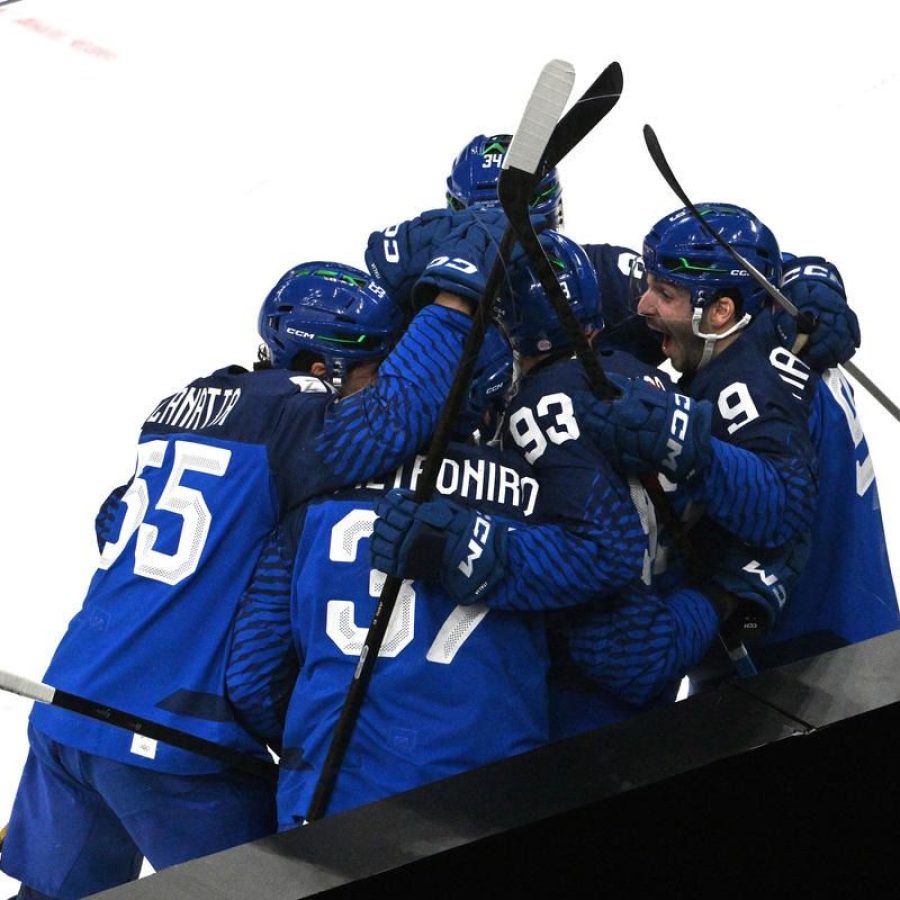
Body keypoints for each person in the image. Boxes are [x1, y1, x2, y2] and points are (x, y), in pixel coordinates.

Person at [0, 261, 486, 899]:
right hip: (173, 739)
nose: (378, 379)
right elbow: (394, 421)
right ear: (322, 368)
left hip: (66, 709)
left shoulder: (182, 406)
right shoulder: (293, 418)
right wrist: (453, 300)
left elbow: (112, 517)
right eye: (371, 364)